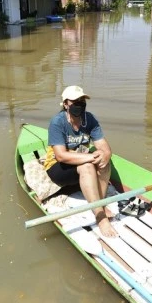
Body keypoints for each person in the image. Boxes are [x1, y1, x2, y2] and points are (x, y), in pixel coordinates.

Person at [43, 85, 117, 237]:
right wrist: (91, 157)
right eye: (75, 102)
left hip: (80, 162)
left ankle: (99, 204)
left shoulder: (89, 119)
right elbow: (61, 156)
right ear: (66, 104)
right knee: (88, 166)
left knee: (104, 162)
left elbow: (104, 147)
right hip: (58, 167)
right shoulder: (58, 122)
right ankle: (100, 218)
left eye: (82, 101)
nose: (80, 105)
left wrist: (105, 154)